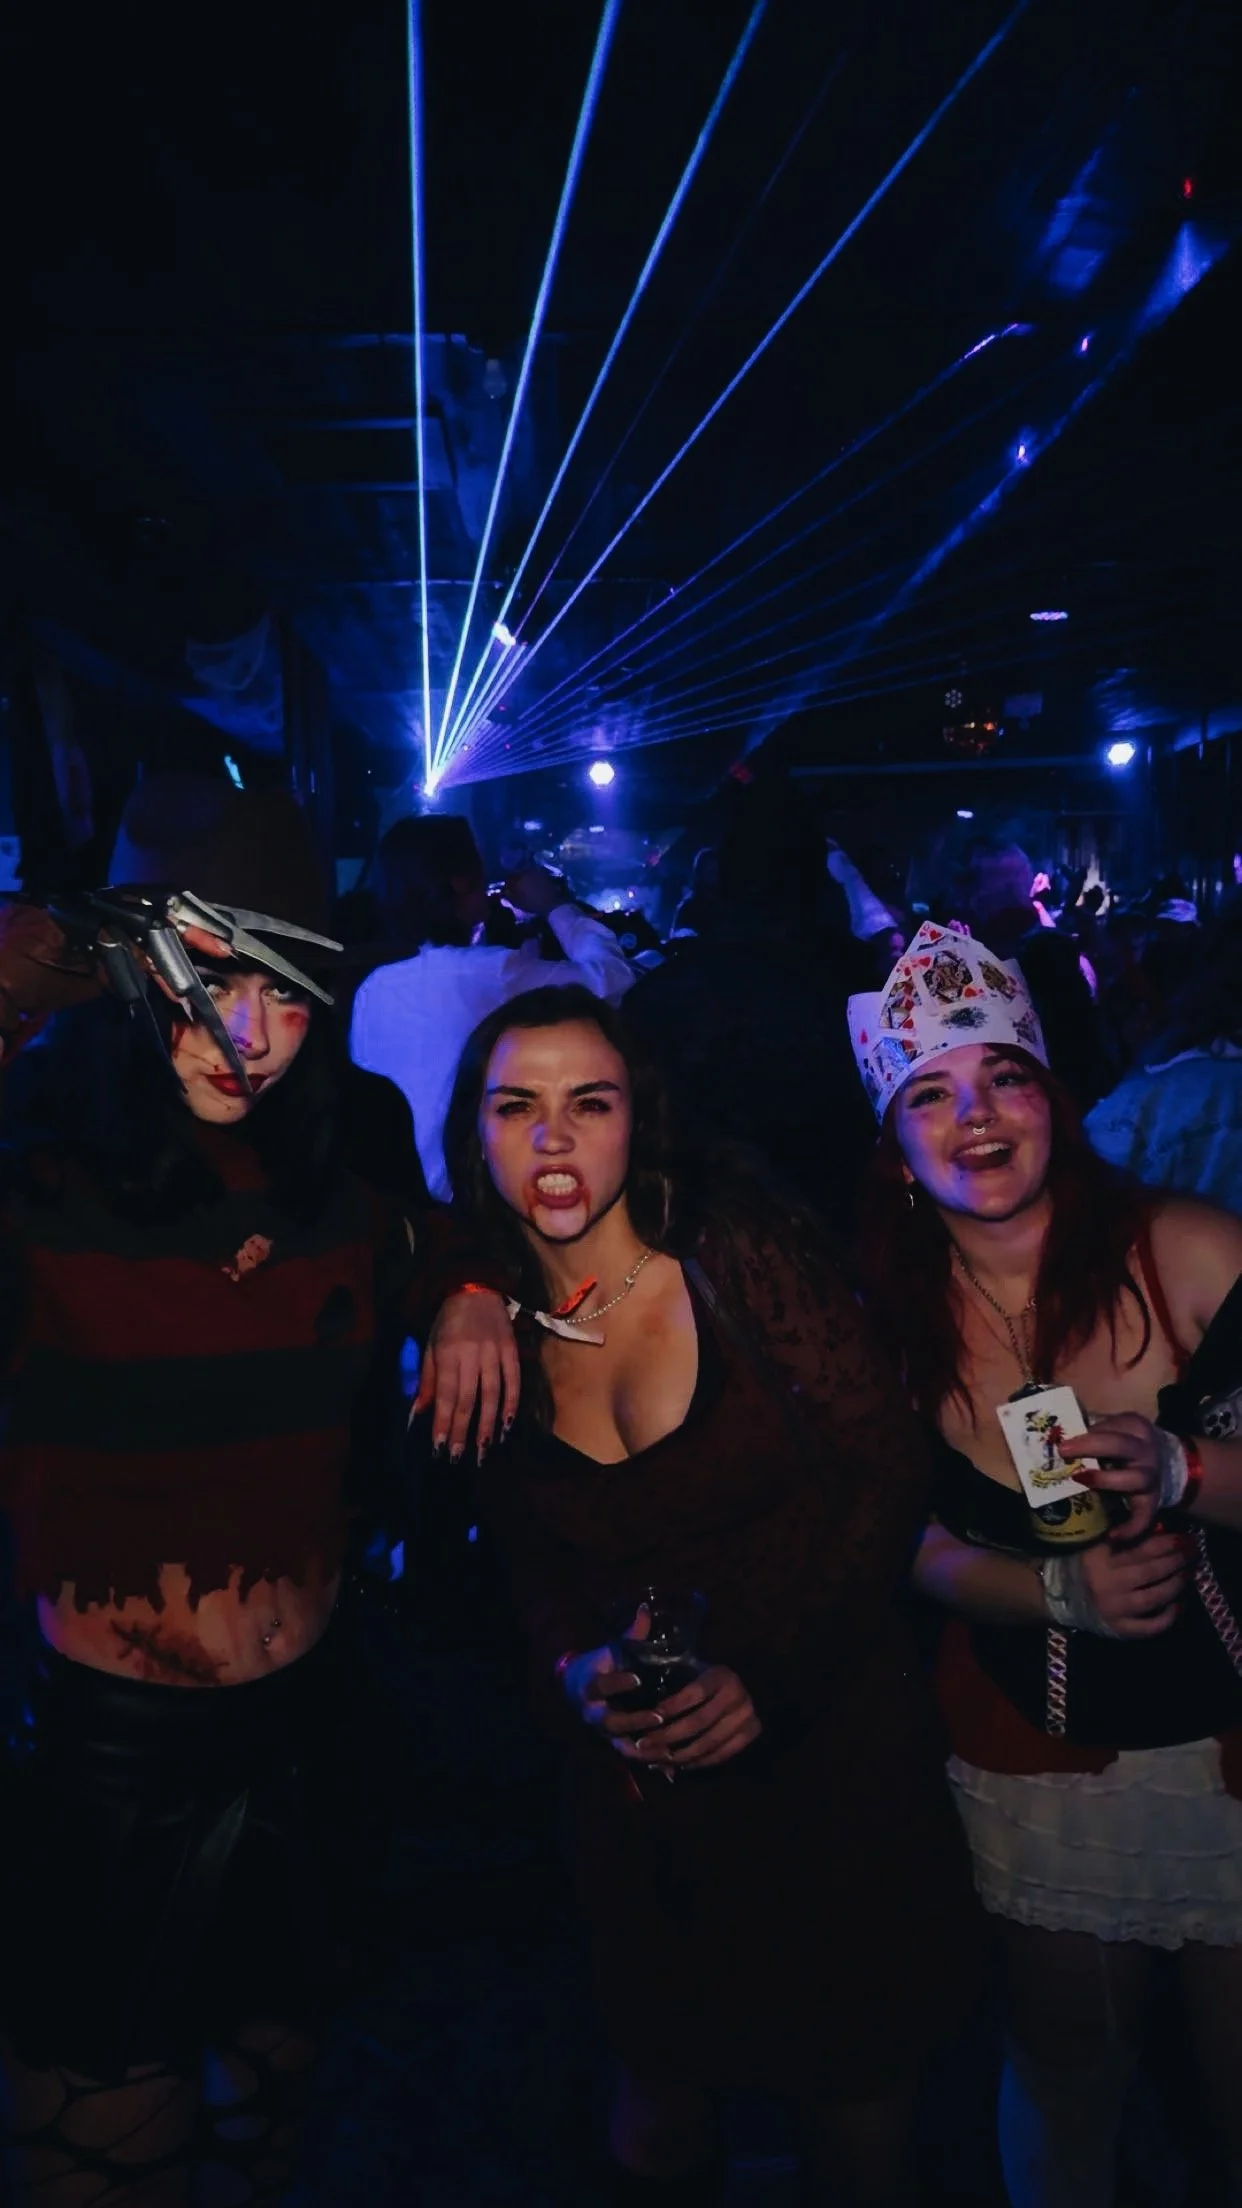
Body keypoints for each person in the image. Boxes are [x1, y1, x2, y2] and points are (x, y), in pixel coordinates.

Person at [0, 778, 518, 2208]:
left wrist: (467, 1281)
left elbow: (426, 1223)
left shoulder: (334, 1137)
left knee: (266, 2126)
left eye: (287, 991)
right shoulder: (41, 1160)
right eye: (206, 980)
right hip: (113, 1771)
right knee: (104, 2155)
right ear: (126, 969)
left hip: (310, 1731)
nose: (249, 1035)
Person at [444, 983, 983, 2206]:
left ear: (642, 1120)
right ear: (474, 1132)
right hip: (645, 1811)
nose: (554, 1137)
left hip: (834, 1766)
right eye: (515, 1106)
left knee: (856, 2129)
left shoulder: (732, 1252)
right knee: (657, 2117)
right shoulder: (484, 1329)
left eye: (592, 1103)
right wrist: (573, 1664)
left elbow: (887, 1470)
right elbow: (526, 1559)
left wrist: (772, 1678)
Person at [849, 918, 1242, 2208]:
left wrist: (1190, 1475)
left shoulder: (1189, 1252)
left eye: (1003, 1076)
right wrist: (1054, 1590)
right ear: (898, 1151)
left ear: (1051, 1101)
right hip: (1042, 1770)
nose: (975, 1114)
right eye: (931, 1094)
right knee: (1070, 2076)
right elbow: (899, 1542)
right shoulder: (887, 1337)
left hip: (1232, 1767)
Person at [350, 813, 634, 1198]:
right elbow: (613, 979)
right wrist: (554, 905)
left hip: (387, 1198)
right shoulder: (495, 974)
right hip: (465, 1208)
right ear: (460, 882)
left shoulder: (372, 988)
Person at [1086, 898, 1242, 1210]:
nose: (1169, 937)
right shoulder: (1155, 1102)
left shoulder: (1152, 1106)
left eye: (1177, 929)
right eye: (1164, 928)